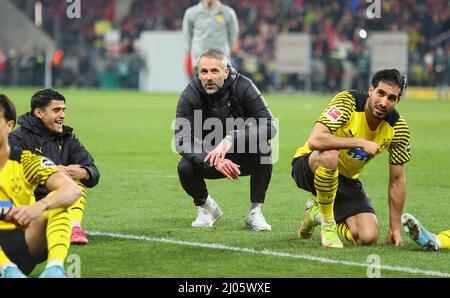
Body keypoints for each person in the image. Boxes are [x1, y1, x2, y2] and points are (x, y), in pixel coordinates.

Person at [291, 69, 410, 248]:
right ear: (371, 91)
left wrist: (395, 229)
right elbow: (316, 139)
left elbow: (397, 179)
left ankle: (315, 213)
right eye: (381, 93)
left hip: (346, 179)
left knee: (367, 237)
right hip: (309, 164)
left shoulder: (398, 128)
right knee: (331, 155)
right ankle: (328, 226)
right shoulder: (347, 101)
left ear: (398, 100)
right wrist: (360, 142)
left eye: (391, 98)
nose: (384, 102)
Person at [175, 48, 276, 231]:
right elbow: (182, 139)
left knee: (266, 150)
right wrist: (213, 159)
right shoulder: (190, 93)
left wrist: (231, 139)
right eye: (204, 72)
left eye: (215, 71)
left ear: (226, 71)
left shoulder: (244, 86)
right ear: (198, 73)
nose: (209, 77)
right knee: (185, 166)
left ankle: (255, 212)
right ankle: (207, 207)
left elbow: (270, 125)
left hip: (241, 157)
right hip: (210, 158)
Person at [0, 94, 82, 278]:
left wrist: (39, 206)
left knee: (58, 201)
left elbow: (73, 189)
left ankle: (54, 269)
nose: (62, 114)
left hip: (22, 239)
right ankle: (7, 269)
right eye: (56, 110)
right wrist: (8, 211)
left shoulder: (25, 161)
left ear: (9, 126)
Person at [9, 89, 100, 245]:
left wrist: (84, 172)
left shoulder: (67, 137)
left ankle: (74, 228)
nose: (62, 115)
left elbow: (93, 172)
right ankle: (28, 227)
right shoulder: (18, 138)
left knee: (75, 181)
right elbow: (7, 173)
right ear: (39, 112)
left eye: (63, 110)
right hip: (29, 202)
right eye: (56, 110)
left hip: (55, 199)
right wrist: (48, 171)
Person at [183, 0, 239, 70]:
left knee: (221, 80)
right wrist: (195, 51)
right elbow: (188, 37)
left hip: (221, 61)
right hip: (199, 60)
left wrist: (225, 50)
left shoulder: (228, 12)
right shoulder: (191, 13)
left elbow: (233, 35)